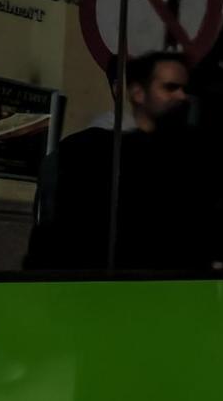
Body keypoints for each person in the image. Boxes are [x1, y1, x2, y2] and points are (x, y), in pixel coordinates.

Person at [27, 52, 196, 269]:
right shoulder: (84, 152)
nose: (182, 97)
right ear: (130, 91)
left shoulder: (175, 155)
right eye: (169, 87)